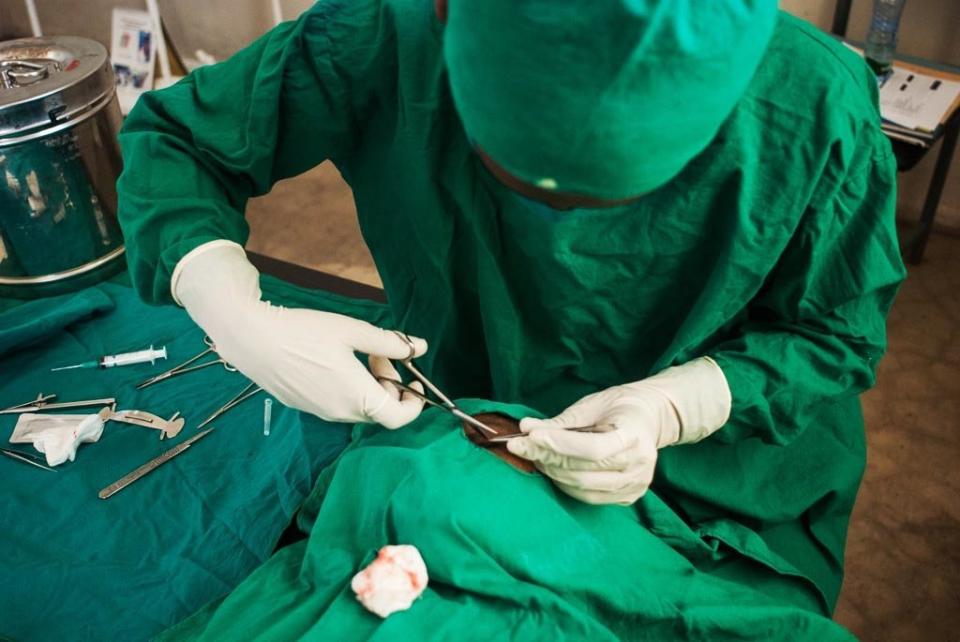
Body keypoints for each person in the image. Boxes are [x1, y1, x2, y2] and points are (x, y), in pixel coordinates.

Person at [117, 0, 904, 617]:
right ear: (447, 11)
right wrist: (225, 299)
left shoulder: (815, 109)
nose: (563, 233)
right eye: (518, 184)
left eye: (618, 198)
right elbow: (184, 142)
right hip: (461, 413)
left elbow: (832, 331)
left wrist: (678, 406)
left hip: (725, 477)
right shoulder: (383, 30)